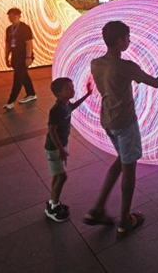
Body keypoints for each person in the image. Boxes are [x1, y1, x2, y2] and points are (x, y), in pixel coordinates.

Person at [84, 21, 158, 239]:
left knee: (121, 160)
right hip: (125, 123)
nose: (129, 41)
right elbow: (157, 82)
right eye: (127, 38)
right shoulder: (125, 66)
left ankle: (98, 209)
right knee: (129, 169)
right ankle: (124, 220)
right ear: (120, 41)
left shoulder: (95, 63)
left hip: (107, 120)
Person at [44, 77, 92, 222]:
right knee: (62, 176)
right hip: (54, 147)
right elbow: (51, 130)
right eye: (69, 89)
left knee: (57, 176)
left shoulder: (65, 104)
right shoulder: (57, 109)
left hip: (60, 145)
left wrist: (88, 94)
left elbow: (73, 106)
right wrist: (60, 149)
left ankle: (53, 201)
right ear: (59, 93)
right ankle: (53, 208)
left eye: (73, 87)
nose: (73, 90)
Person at [3, 7, 37, 110]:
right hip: (15, 57)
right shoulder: (9, 29)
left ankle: (11, 101)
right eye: (9, 16)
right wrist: (6, 56)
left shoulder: (25, 28)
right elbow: (8, 44)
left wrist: (28, 57)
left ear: (18, 16)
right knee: (24, 76)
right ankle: (31, 93)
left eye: (13, 15)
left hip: (24, 57)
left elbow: (29, 44)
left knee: (18, 78)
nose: (11, 18)